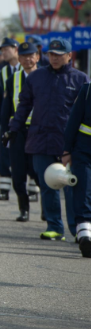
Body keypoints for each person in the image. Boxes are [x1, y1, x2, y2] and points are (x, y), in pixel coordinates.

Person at [9, 39, 89, 241]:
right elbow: (24, 105)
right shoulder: (36, 77)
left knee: (73, 187)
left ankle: (77, 230)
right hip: (41, 140)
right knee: (48, 185)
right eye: (51, 54)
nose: (54, 57)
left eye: (59, 54)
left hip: (69, 145)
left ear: (69, 56)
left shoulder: (80, 80)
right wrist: (13, 129)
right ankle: (54, 226)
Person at [0, 41, 41, 222]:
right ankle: (23, 209)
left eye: (31, 55)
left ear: (37, 57)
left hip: (39, 131)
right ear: (19, 57)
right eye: (23, 56)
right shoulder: (13, 79)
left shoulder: (45, 77)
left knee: (38, 171)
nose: (27, 59)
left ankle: (47, 209)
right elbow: (6, 108)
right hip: (18, 132)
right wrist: (4, 130)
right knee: (18, 173)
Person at [63, 78, 91, 258]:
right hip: (84, 150)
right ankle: (84, 234)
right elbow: (73, 120)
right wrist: (66, 150)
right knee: (83, 188)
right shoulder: (87, 91)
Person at [0, 38, 20, 201]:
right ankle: (4, 190)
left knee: (27, 156)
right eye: (2, 50)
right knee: (3, 155)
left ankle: (32, 189)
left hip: (25, 119)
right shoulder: (2, 72)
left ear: (16, 49)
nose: (3, 53)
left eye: (6, 49)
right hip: (6, 119)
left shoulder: (29, 70)